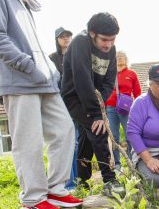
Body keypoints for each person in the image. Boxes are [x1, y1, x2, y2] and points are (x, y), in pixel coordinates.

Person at [0, 0, 82, 209]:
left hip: (44, 82)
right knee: (28, 140)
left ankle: (55, 188)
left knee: (64, 129)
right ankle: (33, 199)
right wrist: (27, 65)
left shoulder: (25, 5)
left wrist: (49, 72)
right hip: (19, 81)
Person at [61, 12, 124, 196]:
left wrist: (100, 104)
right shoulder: (80, 42)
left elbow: (109, 82)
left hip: (94, 99)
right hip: (74, 97)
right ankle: (110, 180)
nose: (108, 44)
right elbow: (82, 80)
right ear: (92, 33)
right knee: (98, 130)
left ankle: (82, 180)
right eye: (104, 40)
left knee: (86, 138)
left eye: (112, 40)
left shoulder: (110, 50)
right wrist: (97, 114)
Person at [49, 27, 78, 190]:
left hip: (76, 105)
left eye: (68, 35)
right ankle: (67, 183)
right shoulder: (52, 58)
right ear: (57, 39)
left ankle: (73, 182)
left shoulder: (77, 55)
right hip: (59, 105)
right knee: (64, 143)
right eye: (62, 36)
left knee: (75, 144)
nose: (66, 38)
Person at [105, 51, 141, 168]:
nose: (119, 58)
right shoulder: (110, 74)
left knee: (129, 134)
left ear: (126, 59)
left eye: (121, 57)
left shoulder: (131, 74)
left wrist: (138, 109)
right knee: (114, 136)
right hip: (111, 108)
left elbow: (137, 93)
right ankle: (117, 164)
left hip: (126, 108)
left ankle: (131, 161)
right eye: (117, 57)